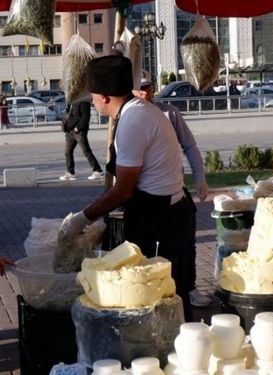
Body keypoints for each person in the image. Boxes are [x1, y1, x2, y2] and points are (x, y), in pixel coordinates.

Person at [59, 55, 196, 321]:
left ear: (105, 97)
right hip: (165, 213)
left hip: (161, 223)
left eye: (94, 95)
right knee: (168, 298)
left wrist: (83, 218)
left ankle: (171, 352)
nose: (93, 101)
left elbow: (123, 190)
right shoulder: (139, 111)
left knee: (160, 302)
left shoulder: (133, 121)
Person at [134, 78, 211, 307]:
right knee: (150, 247)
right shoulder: (129, 117)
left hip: (175, 190)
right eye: (141, 87)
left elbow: (190, 146)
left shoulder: (169, 113)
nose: (145, 91)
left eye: (149, 86)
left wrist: (201, 178)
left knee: (186, 241)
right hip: (145, 195)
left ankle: (189, 287)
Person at [59, 99, 104, 181]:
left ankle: (98, 170)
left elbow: (86, 116)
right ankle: (70, 172)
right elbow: (68, 114)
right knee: (67, 152)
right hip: (70, 130)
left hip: (79, 131)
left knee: (86, 151)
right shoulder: (70, 101)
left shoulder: (83, 102)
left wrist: (78, 127)